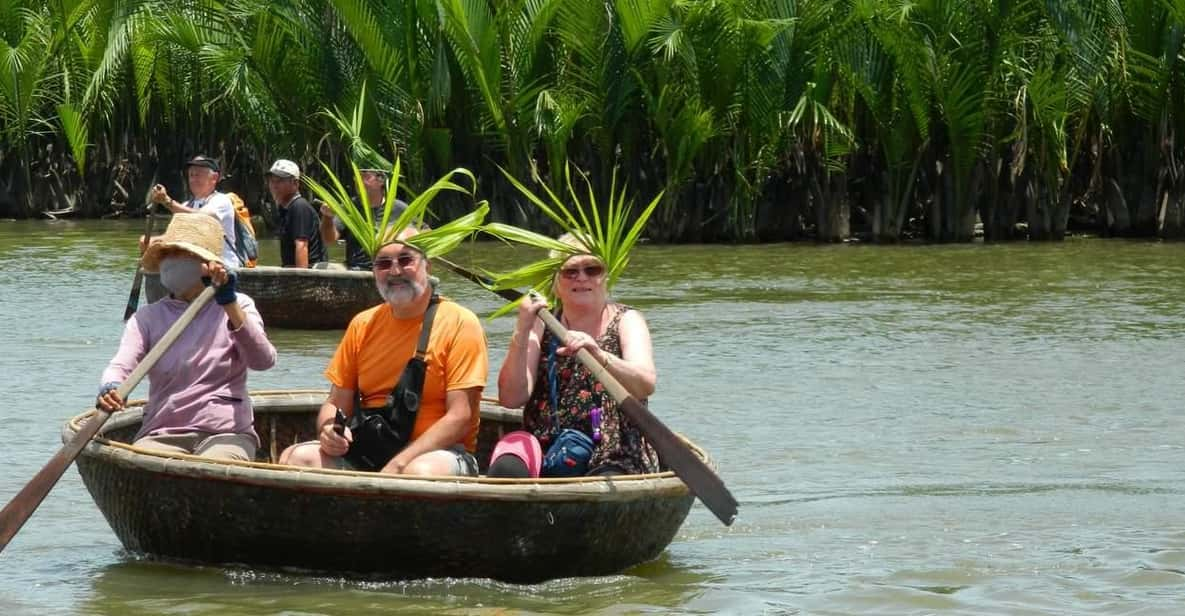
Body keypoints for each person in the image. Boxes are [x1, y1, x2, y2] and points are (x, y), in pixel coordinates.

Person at [279, 230, 488, 475]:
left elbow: (460, 417)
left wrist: (399, 464)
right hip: (373, 445)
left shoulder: (460, 322)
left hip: (440, 453)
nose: (395, 271)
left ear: (427, 266)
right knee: (295, 458)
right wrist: (329, 431)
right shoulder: (362, 324)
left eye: (405, 260)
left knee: (418, 472)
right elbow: (336, 402)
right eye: (384, 263)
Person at [97, 213, 277, 461]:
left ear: (207, 265)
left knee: (215, 466)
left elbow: (263, 360)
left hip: (225, 432)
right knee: (150, 465)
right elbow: (121, 365)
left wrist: (228, 303)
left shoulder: (238, 306)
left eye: (183, 255)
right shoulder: (147, 318)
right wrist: (111, 387)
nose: (173, 263)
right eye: (169, 255)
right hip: (162, 430)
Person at [489, 234, 659, 478]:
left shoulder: (627, 320)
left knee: (605, 485)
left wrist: (599, 355)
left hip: (612, 448)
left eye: (592, 269)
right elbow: (511, 398)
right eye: (571, 271)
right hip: (548, 443)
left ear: (605, 276)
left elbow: (645, 384)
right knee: (506, 468)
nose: (582, 277)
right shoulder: (542, 323)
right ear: (556, 281)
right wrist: (522, 328)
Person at [149, 154, 242, 269]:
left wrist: (167, 201)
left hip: (222, 266)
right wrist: (153, 242)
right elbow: (175, 236)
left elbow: (201, 218)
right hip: (194, 264)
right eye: (191, 175)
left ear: (214, 178)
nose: (193, 179)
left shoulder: (222, 201)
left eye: (198, 175)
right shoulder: (186, 205)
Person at [319, 168, 407, 269]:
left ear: (381, 180)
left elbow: (421, 232)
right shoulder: (349, 208)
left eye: (364, 176)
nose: (358, 181)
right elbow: (330, 241)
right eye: (356, 177)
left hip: (389, 268)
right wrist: (327, 217)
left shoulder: (399, 209)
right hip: (354, 270)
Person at [267, 159, 325, 267]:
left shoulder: (299, 207)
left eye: (279, 181)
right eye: (272, 181)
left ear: (295, 183)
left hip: (311, 271)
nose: (274, 185)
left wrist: (300, 280)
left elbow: (301, 246)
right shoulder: (284, 208)